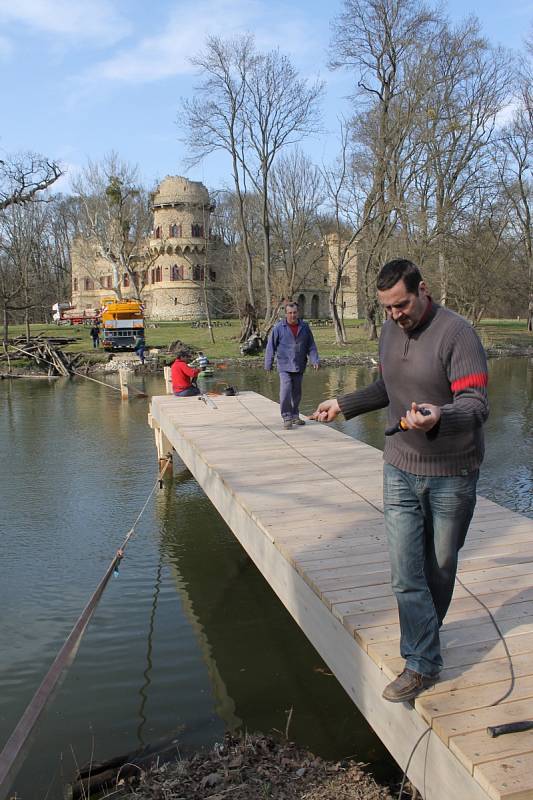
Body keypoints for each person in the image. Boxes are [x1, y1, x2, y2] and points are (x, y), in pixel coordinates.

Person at [311, 259, 489, 703]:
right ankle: (422, 663)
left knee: (440, 567)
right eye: (387, 308)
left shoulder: (458, 334)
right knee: (406, 573)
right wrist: (344, 403)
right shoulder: (389, 330)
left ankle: (425, 642)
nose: (395, 315)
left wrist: (438, 416)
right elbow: (389, 388)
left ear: (423, 290)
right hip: (399, 467)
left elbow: (475, 404)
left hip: (452, 474)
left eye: (402, 305)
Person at [265, 301, 320, 429]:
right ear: (286, 314)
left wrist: (315, 360)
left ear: (298, 313)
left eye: (294, 312)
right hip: (284, 365)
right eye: (290, 313)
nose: (292, 315)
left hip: (299, 364)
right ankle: (287, 417)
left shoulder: (305, 327)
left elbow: (311, 345)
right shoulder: (279, 327)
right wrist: (268, 363)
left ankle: (295, 415)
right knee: (285, 391)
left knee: (297, 393)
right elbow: (270, 346)